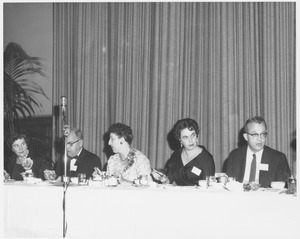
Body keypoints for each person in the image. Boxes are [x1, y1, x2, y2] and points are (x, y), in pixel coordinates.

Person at [223, 116, 291, 188]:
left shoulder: (278, 158)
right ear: (246, 137)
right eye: (255, 134)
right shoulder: (234, 156)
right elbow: (229, 185)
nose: (260, 139)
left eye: (263, 134)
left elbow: (284, 190)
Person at [153, 118, 215, 186]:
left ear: (197, 136)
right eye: (185, 137)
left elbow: (209, 187)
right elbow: (169, 180)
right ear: (180, 139)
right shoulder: (175, 156)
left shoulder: (206, 158)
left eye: (193, 135)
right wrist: (162, 179)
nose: (190, 140)